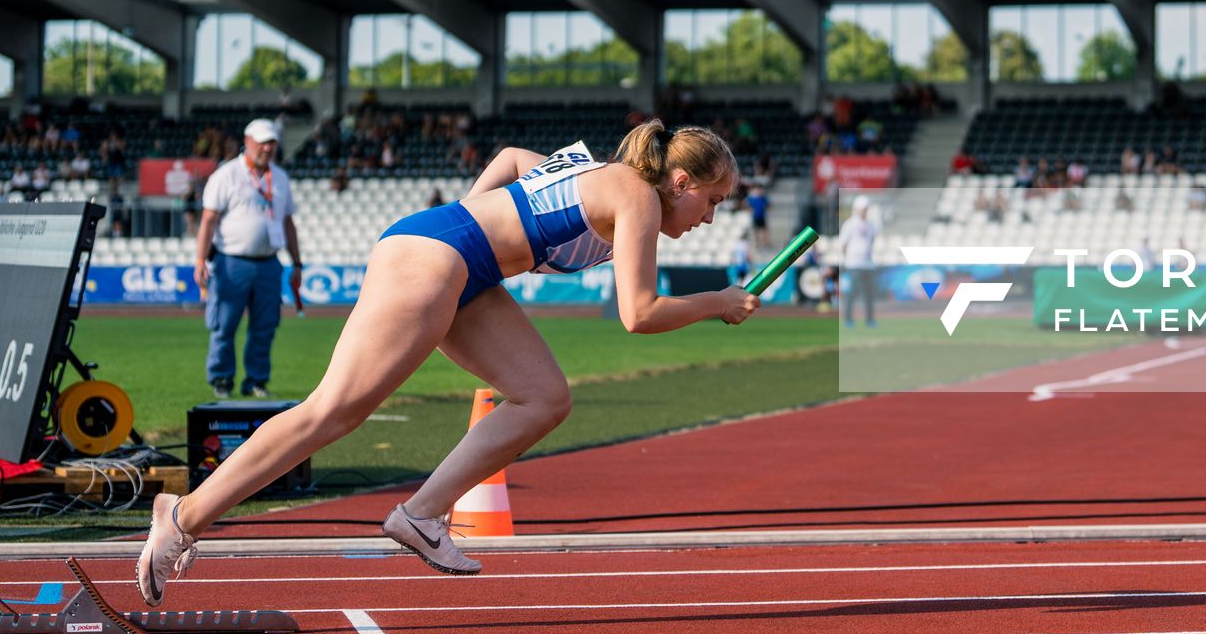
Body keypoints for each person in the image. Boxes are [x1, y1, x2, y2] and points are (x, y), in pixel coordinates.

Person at [137, 119, 752, 604]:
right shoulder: (637, 193)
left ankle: (423, 515)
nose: (710, 218)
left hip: (464, 261)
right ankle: (183, 516)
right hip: (440, 254)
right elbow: (638, 313)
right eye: (713, 201)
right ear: (681, 183)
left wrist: (476, 223)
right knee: (333, 412)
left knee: (544, 397)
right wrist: (718, 302)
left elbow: (512, 157)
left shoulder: (609, 179)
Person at [195, 120, 303, 401]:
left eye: (272, 143)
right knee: (224, 324)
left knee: (265, 326)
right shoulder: (226, 174)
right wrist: (199, 260)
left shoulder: (279, 177)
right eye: (262, 142)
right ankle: (221, 378)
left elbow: (288, 222)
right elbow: (208, 220)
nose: (267, 148)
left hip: (269, 262)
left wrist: (297, 262)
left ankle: (256, 380)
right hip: (231, 261)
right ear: (248, 141)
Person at [839, 195, 879, 327]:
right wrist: (848, 259)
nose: (865, 211)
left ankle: (870, 319)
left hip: (868, 264)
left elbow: (872, 241)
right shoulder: (850, 224)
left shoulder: (871, 225)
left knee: (869, 294)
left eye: (866, 209)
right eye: (863, 209)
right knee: (852, 293)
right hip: (854, 264)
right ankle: (848, 319)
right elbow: (844, 244)